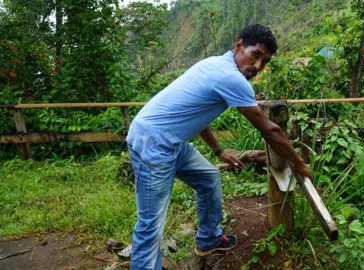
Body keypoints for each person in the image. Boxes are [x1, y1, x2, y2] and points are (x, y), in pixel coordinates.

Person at [126, 24, 311, 270]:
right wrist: (299, 163)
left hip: (172, 142)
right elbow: (270, 130)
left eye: (264, 62)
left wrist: (219, 151)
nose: (257, 67)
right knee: (151, 225)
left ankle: (208, 239)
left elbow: (199, 115)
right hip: (152, 144)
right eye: (255, 55)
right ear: (239, 46)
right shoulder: (231, 78)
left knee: (209, 177)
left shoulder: (214, 64)